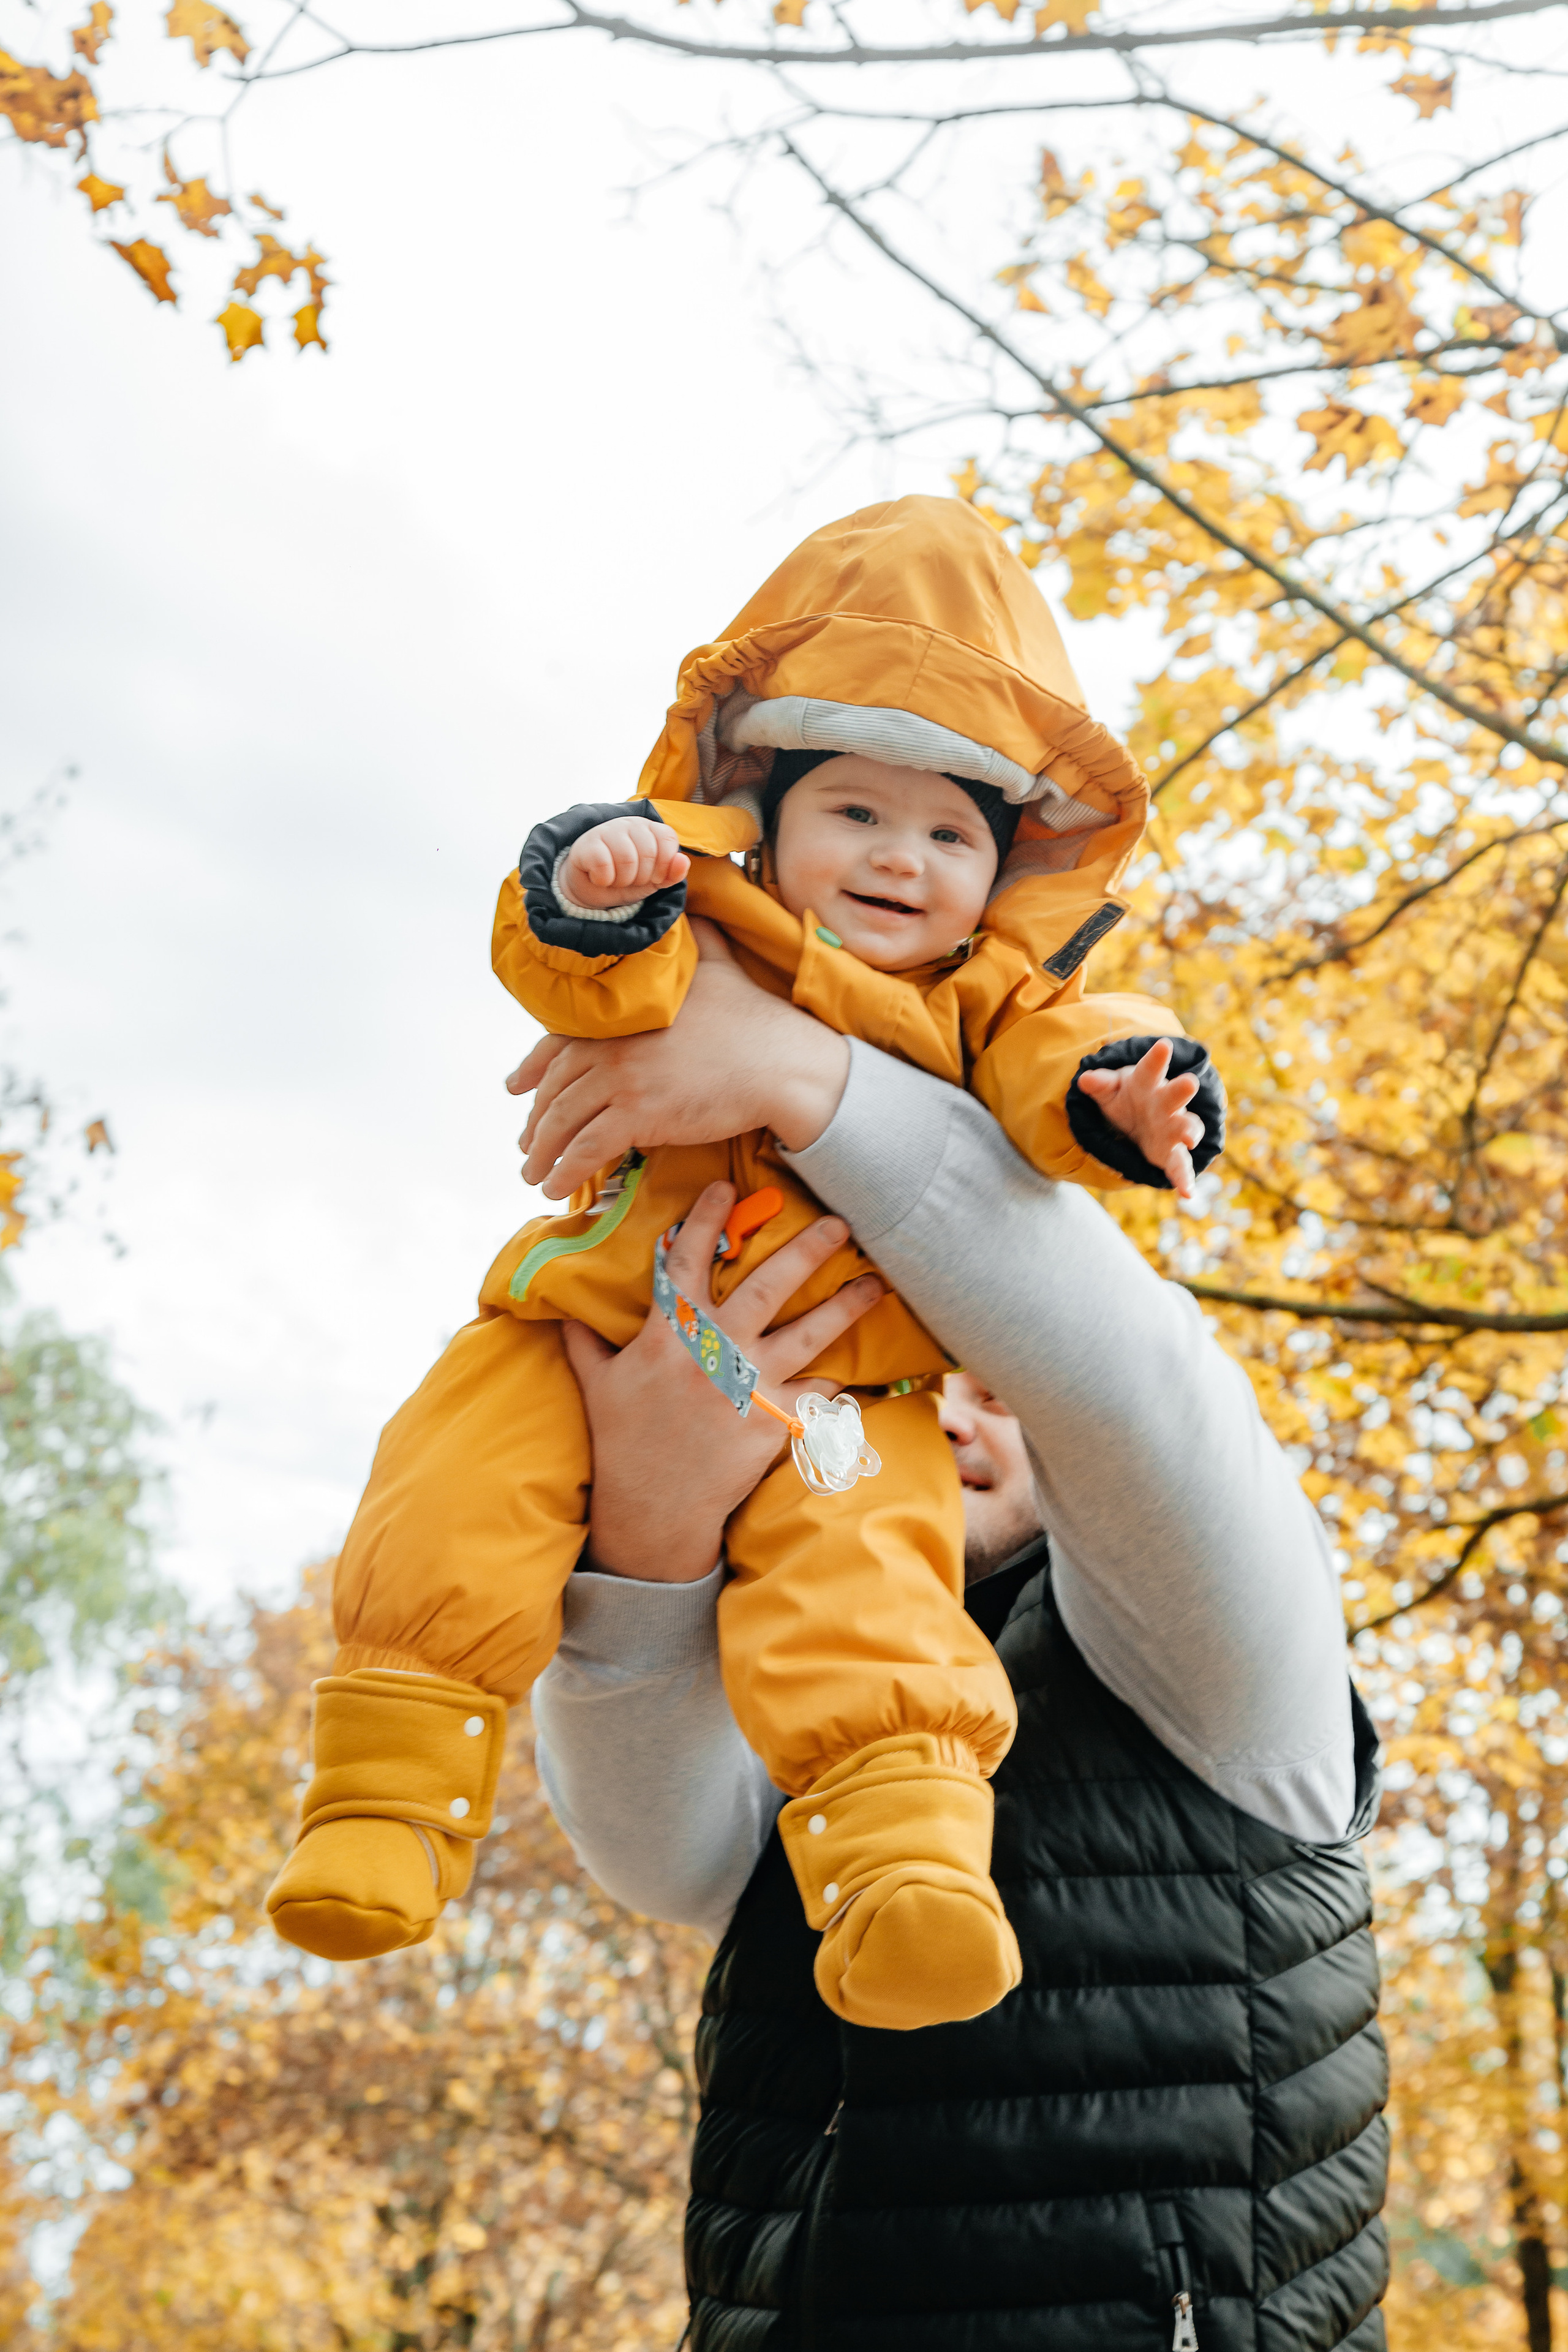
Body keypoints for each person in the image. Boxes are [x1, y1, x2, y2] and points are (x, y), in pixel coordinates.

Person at [266, 496, 1224, 2035]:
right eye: (856, 812)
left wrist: (1124, 1093)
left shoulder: (986, 1003)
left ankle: (904, 1854)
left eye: (949, 833)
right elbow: (591, 965)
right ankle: (384, 1791)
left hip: (833, 1393)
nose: (902, 861)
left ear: (1006, 872)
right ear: (763, 815)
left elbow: (1070, 1053)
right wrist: (598, 890)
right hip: (585, 1322)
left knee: (865, 1570)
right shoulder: (709, 920)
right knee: (454, 1486)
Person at [520, 940, 1389, 2351]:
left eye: (980, 1376)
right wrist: (653, 1522)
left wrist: (803, 1070)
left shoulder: (1217, 1659)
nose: (947, 1416)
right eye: (896, 1383)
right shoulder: (802, 1663)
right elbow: (657, 1848)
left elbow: (1125, 1380)